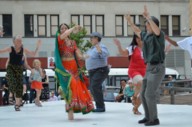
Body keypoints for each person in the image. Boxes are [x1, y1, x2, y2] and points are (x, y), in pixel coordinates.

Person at [126, 5, 165, 126]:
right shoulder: (146, 35)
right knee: (143, 93)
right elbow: (137, 31)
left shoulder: (159, 35)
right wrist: (130, 22)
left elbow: (157, 30)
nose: (146, 26)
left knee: (149, 93)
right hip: (149, 67)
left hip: (157, 68)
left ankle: (154, 119)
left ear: (153, 25)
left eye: (148, 24)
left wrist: (148, 17)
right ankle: (148, 117)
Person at [55, 23, 94, 120]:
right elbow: (65, 35)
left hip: (74, 68)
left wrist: (84, 56)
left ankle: (71, 115)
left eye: (65, 28)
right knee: (70, 87)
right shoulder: (59, 39)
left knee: (75, 90)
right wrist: (73, 28)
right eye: (62, 28)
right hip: (65, 69)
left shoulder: (73, 42)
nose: (63, 29)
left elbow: (78, 54)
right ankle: (70, 114)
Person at [0, 35, 41, 111]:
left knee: (20, 87)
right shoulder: (11, 48)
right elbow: (1, 51)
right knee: (13, 84)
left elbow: (33, 55)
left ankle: (17, 104)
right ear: (14, 42)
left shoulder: (23, 50)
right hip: (11, 68)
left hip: (19, 69)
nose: (19, 42)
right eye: (18, 40)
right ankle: (11, 95)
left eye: (20, 40)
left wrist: (37, 47)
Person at [114, 34, 146, 115]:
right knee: (141, 82)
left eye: (140, 37)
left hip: (145, 71)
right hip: (134, 70)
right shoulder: (133, 47)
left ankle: (135, 108)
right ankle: (134, 97)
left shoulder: (148, 47)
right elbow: (123, 53)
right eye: (136, 37)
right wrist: (119, 46)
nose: (138, 39)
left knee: (144, 93)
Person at [85, 32, 110, 112]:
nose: (91, 39)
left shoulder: (101, 46)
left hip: (100, 70)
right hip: (92, 71)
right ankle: (99, 106)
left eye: (92, 38)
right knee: (93, 88)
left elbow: (105, 54)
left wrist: (100, 51)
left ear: (96, 38)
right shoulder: (91, 48)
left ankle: (101, 107)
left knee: (95, 86)